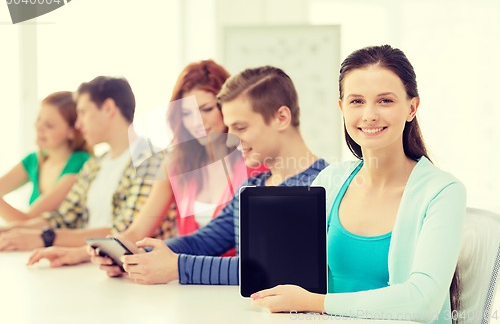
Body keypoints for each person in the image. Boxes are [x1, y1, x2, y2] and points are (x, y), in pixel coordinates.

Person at [250, 45, 466, 324]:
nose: (369, 115)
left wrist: (315, 303)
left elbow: (422, 301)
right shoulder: (330, 181)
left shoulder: (443, 192)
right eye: (356, 102)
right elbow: (292, 274)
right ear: (342, 108)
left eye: (385, 101)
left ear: (412, 108)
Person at [88, 65, 328, 286]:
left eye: (241, 127)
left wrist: (178, 267)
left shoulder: (323, 184)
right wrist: (136, 258)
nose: (230, 137)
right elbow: (204, 240)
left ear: (281, 118)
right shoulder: (253, 186)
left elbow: (274, 268)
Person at [27, 60, 258, 266]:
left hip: (233, 286)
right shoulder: (176, 165)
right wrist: (80, 253)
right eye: (187, 113)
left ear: (226, 107)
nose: (197, 121)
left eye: (206, 109)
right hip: (186, 284)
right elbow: (137, 230)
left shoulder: (253, 163)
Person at [0, 76, 173, 251]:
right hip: (89, 262)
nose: (78, 124)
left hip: (124, 271)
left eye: (83, 112)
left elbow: (125, 233)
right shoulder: (94, 166)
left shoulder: (152, 159)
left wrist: (45, 237)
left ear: (108, 108)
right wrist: (11, 230)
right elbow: (63, 218)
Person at [0, 91, 91, 222]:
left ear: (72, 131)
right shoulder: (33, 160)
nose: (38, 127)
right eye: (39, 119)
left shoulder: (81, 163)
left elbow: (27, 222)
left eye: (49, 125)